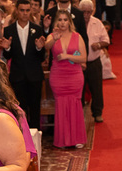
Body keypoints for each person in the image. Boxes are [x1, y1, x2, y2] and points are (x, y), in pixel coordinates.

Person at [0, 0, 47, 130]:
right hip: (17, 76)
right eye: (22, 10)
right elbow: (8, 56)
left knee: (35, 108)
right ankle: (22, 136)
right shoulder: (9, 30)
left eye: (27, 10)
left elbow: (41, 56)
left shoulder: (37, 29)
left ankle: (36, 135)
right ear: (17, 11)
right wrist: (7, 49)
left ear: (30, 11)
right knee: (20, 110)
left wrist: (39, 48)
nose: (25, 13)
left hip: (35, 76)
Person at [47, 10, 87, 149]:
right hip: (58, 76)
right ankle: (62, 140)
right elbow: (46, 47)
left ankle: (77, 138)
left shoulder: (77, 36)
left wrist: (67, 56)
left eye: (65, 20)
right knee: (61, 105)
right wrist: (54, 39)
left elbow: (83, 58)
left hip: (74, 76)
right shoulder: (52, 36)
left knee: (75, 105)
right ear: (56, 22)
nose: (62, 22)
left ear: (70, 22)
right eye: (60, 20)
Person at [80, 0, 108, 123]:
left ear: (92, 11)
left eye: (88, 12)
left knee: (96, 88)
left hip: (93, 61)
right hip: (79, 63)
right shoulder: (75, 23)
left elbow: (106, 40)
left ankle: (97, 113)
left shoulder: (97, 23)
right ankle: (79, 112)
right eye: (83, 12)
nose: (86, 15)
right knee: (79, 90)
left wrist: (99, 44)